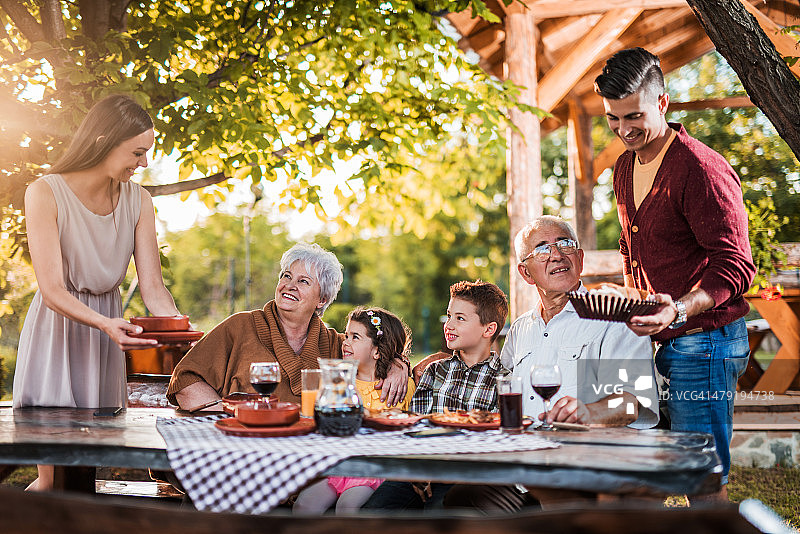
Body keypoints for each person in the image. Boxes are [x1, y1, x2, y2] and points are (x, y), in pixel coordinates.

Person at [594, 47, 755, 499]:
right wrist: (632, 302)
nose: (623, 130)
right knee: (633, 475)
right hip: (649, 339)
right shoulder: (624, 167)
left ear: (662, 103)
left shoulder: (700, 168)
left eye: (633, 116)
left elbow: (737, 265)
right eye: (613, 119)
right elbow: (631, 247)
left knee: (700, 480)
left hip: (702, 342)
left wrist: (678, 309)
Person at [14, 94, 181, 491]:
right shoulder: (44, 192)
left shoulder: (139, 200)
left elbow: (154, 288)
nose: (144, 164)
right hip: (57, 333)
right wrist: (106, 324)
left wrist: (183, 333)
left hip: (106, 340)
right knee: (53, 478)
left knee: (83, 477)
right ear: (105, 140)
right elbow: (52, 289)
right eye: (137, 153)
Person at [167, 243, 410, 410]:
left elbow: (377, 351)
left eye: (303, 281)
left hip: (311, 456)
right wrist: (228, 416)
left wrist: (398, 365)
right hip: (245, 447)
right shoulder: (240, 327)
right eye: (286, 276)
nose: (289, 285)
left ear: (322, 300)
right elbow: (185, 380)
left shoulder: (338, 346)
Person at [363, 280, 516, 511]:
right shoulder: (436, 370)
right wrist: (418, 468)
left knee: (437, 518)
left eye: (460, 318)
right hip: (420, 471)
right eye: (449, 315)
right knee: (372, 513)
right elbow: (417, 424)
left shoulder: (504, 381)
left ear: (489, 329)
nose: (449, 324)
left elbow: (496, 441)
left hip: (462, 477)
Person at [501, 216, 658, 430]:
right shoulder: (520, 328)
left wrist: (590, 412)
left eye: (565, 244)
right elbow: (502, 385)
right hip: (524, 448)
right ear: (526, 273)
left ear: (580, 259)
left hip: (587, 453)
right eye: (542, 249)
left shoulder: (616, 317)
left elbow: (634, 403)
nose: (556, 255)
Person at [293, 307, 415, 515]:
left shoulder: (399, 387)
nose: (345, 342)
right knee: (303, 505)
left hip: (375, 468)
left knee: (347, 507)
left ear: (377, 350)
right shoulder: (341, 382)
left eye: (355, 337)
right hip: (341, 467)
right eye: (346, 335)